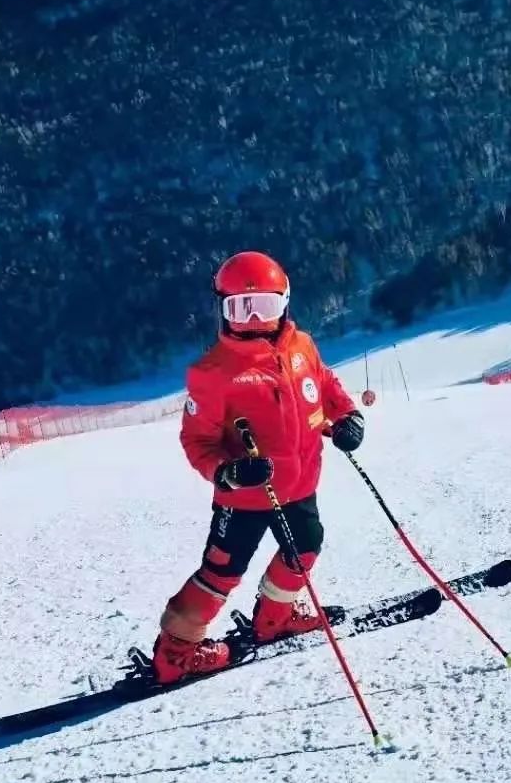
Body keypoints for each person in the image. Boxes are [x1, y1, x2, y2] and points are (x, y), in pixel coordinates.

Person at [151, 250, 365, 686]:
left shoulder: (302, 346)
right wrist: (227, 472)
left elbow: (324, 385)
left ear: (285, 302)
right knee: (222, 572)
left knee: (305, 548)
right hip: (245, 496)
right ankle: (176, 653)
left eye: (264, 307)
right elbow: (197, 440)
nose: (252, 320)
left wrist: (346, 417)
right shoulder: (212, 373)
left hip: (300, 483)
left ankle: (275, 617)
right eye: (240, 308)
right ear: (222, 309)